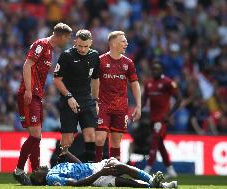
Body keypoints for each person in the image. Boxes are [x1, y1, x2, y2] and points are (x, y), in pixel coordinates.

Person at [13, 23, 72, 185]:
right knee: (35, 135)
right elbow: (27, 65)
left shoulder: (51, 50)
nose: (68, 41)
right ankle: (18, 170)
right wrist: (28, 90)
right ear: (60, 36)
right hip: (30, 93)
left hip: (37, 95)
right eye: (67, 37)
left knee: (37, 137)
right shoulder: (41, 44)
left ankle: (36, 171)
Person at [53, 29, 100, 163]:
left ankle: (91, 168)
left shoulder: (95, 56)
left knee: (90, 135)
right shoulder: (66, 56)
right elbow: (57, 80)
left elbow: (96, 79)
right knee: (67, 139)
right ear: (75, 42)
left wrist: (96, 100)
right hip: (69, 101)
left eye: (86, 46)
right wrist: (69, 97)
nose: (83, 49)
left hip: (87, 100)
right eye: (80, 45)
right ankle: (60, 167)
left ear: (91, 43)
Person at [95, 31, 141, 162]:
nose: (126, 43)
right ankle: (96, 169)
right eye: (123, 41)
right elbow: (94, 82)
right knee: (99, 138)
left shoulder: (128, 63)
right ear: (114, 43)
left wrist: (138, 105)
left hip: (121, 108)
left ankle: (113, 171)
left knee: (115, 142)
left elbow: (135, 84)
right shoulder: (100, 61)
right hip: (103, 106)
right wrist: (94, 101)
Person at [30, 148, 178, 188]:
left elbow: (80, 167)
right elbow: (76, 184)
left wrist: (68, 154)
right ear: (40, 179)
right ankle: (157, 185)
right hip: (96, 177)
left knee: (121, 167)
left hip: (96, 167)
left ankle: (157, 183)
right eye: (35, 172)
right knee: (128, 183)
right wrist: (101, 172)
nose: (36, 169)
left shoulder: (56, 167)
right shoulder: (51, 178)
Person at [142, 62, 182, 179]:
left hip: (162, 119)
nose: (155, 71)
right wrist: (138, 109)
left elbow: (179, 98)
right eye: (153, 69)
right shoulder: (148, 83)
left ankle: (147, 168)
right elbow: (144, 99)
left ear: (161, 71)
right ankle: (170, 169)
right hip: (152, 118)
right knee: (159, 144)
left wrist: (169, 114)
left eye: (157, 69)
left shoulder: (168, 82)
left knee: (155, 140)